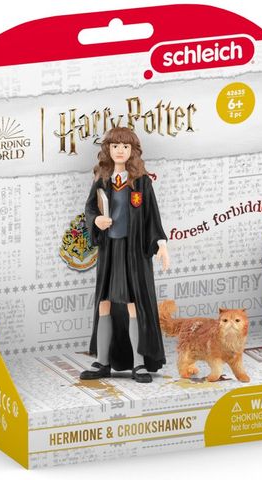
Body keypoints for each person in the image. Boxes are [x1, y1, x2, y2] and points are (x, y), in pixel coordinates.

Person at [80, 127, 170, 383]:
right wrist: (96, 220)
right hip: (110, 251)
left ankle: (139, 363)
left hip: (133, 252)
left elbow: (152, 216)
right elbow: (89, 208)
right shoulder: (102, 179)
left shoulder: (141, 181)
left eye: (125, 146)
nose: (120, 150)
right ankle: (102, 362)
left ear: (133, 151)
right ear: (108, 149)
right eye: (115, 146)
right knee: (104, 303)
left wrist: (161, 244)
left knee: (134, 304)